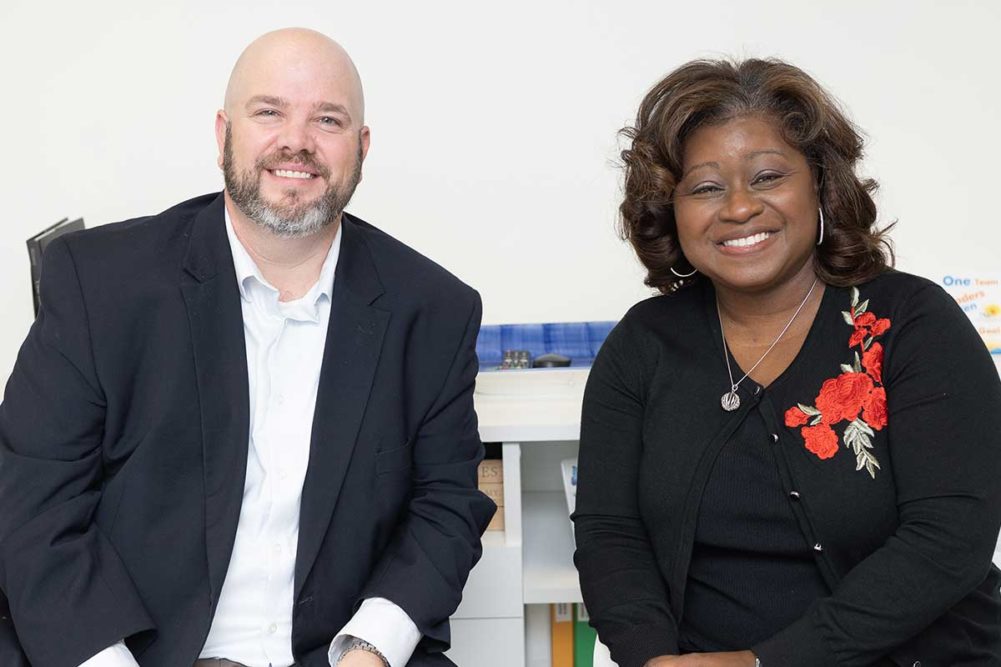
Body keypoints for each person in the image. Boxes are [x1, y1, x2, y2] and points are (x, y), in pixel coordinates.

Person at [0, 28, 494, 667]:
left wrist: (373, 646)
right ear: (222, 133)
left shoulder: (434, 310)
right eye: (269, 112)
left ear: (362, 148)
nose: (298, 140)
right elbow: (33, 508)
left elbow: (447, 505)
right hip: (130, 651)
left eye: (328, 119)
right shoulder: (98, 284)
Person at [572, 58, 1001, 667]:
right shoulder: (642, 346)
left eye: (768, 177)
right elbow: (610, 535)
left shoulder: (912, 323)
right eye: (705, 187)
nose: (740, 208)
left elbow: (949, 542)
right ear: (672, 210)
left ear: (821, 185)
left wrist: (764, 662)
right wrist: (653, 659)